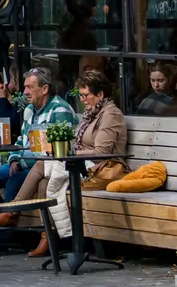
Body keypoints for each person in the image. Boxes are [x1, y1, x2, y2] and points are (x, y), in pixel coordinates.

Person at [18, 68, 126, 258]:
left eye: (85, 95)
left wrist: (72, 152)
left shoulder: (110, 114)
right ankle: (49, 238)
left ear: (100, 94)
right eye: (80, 95)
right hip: (82, 165)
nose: (82, 100)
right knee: (44, 181)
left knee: (42, 164)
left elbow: (102, 152)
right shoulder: (91, 113)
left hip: (100, 168)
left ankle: (13, 209)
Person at [0, 67, 75, 211]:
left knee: (14, 181)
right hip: (22, 164)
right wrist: (14, 159)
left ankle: (6, 227)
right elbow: (21, 140)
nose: (25, 92)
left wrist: (21, 163)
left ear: (45, 89)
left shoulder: (59, 109)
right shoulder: (29, 109)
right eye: (25, 87)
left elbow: (57, 151)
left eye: (29, 87)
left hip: (45, 167)